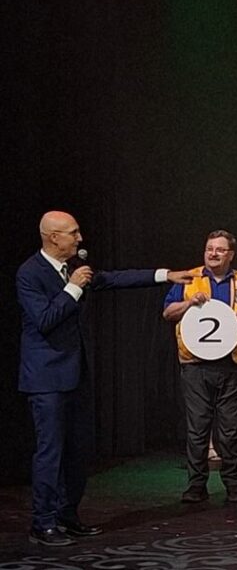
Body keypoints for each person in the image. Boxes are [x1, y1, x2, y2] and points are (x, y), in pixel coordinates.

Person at [16, 211, 193, 546]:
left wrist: (166, 275)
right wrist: (73, 287)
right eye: (73, 233)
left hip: (76, 374)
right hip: (46, 379)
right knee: (50, 452)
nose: (80, 238)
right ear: (53, 237)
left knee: (78, 450)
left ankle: (68, 515)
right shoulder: (30, 273)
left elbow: (113, 279)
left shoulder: (74, 267)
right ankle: (43, 522)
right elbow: (45, 320)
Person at [162, 230, 237, 505]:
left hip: (234, 366)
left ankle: (233, 485)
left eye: (220, 250)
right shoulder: (189, 278)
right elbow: (168, 312)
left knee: (231, 429)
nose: (213, 253)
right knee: (198, 428)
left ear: (230, 254)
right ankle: (196, 486)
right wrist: (188, 303)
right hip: (196, 366)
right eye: (209, 248)